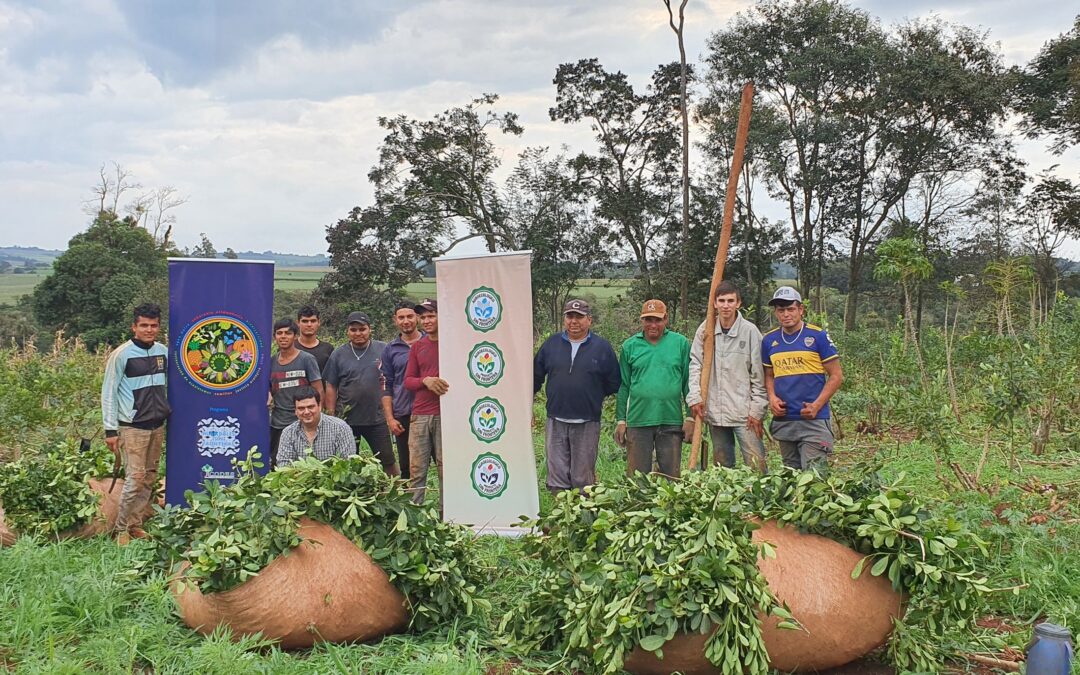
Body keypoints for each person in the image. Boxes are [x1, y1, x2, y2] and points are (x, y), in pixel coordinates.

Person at [533, 299, 621, 494]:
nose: (574, 321)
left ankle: (581, 518)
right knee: (557, 472)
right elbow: (535, 376)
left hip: (587, 420)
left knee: (583, 475)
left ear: (589, 320)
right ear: (564, 319)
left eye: (579, 317)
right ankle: (560, 515)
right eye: (570, 316)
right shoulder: (551, 344)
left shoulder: (602, 347)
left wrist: (591, 394)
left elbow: (614, 382)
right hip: (555, 418)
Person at [101, 303, 171, 544]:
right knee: (135, 478)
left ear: (158, 327)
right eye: (144, 325)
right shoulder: (122, 355)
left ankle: (136, 524)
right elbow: (108, 392)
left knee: (150, 476)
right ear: (134, 327)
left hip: (157, 424)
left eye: (153, 326)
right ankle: (120, 529)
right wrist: (110, 430)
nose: (149, 330)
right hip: (133, 426)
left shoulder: (163, 351)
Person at [687, 281, 768, 472]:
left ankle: (763, 499)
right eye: (721, 300)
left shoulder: (750, 332)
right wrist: (695, 397)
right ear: (714, 303)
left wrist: (757, 410)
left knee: (757, 466)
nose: (726, 305)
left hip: (744, 413)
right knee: (723, 468)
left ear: (738, 303)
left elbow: (759, 374)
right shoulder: (705, 330)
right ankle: (725, 501)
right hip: (715, 411)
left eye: (730, 301)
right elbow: (695, 364)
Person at [761, 286, 844, 473]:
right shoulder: (769, 341)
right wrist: (772, 398)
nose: (786, 314)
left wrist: (816, 405)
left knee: (814, 479)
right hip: (785, 420)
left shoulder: (817, 336)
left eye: (790, 309)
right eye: (781, 310)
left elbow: (836, 376)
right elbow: (769, 375)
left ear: (800, 310)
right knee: (791, 475)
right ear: (776, 313)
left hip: (813, 420)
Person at [615, 299, 692, 479]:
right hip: (638, 420)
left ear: (665, 319)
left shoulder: (680, 343)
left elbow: (688, 382)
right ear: (642, 320)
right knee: (637, 478)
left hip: (671, 420)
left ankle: (669, 507)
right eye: (648, 320)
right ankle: (638, 506)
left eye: (657, 320)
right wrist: (621, 420)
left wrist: (690, 417)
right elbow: (623, 385)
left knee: (671, 477)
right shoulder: (630, 346)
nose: (653, 325)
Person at [323, 312, 398, 476]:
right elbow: (331, 385)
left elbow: (393, 378)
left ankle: (396, 493)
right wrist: (331, 413)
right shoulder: (338, 354)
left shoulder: (383, 349)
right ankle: (352, 494)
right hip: (347, 419)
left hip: (377, 417)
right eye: (354, 330)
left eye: (362, 329)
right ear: (348, 332)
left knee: (388, 460)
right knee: (348, 462)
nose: (358, 333)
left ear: (370, 329)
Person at [403, 299, 447, 509]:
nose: (426, 321)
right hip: (420, 414)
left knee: (444, 468)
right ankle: (413, 514)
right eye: (423, 317)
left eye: (431, 315)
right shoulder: (418, 347)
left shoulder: (452, 345)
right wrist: (426, 381)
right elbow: (408, 380)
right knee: (417, 468)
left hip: (446, 414)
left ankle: (447, 515)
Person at [269, 318, 323, 466]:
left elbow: (318, 389)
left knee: (304, 465)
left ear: (294, 336)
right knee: (278, 466)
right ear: (274, 337)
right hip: (278, 423)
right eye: (279, 333)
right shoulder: (270, 362)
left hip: (303, 422)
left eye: (288, 333)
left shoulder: (306, 359)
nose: (283, 336)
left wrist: (319, 416)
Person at [380, 300, 424, 481]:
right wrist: (390, 418)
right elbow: (385, 385)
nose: (406, 321)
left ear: (418, 318)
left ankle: (444, 507)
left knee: (441, 462)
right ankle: (410, 505)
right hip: (403, 413)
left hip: (431, 411)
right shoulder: (390, 349)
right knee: (407, 467)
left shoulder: (431, 342)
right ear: (395, 320)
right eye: (401, 317)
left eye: (410, 316)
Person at [275, 386, 357, 466]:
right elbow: (284, 466)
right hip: (300, 479)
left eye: (310, 407)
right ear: (295, 411)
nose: (306, 412)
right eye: (301, 408)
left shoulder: (340, 428)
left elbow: (347, 464)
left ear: (319, 406)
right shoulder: (288, 433)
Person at [296, 305, 334, 372]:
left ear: (318, 322)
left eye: (313, 321)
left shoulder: (328, 349)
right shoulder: (290, 347)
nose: (309, 325)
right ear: (298, 323)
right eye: (305, 321)